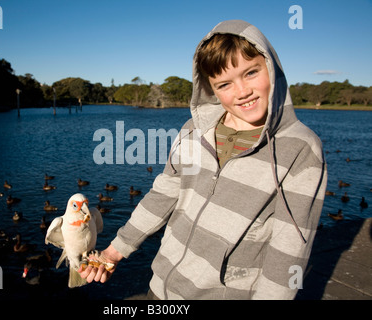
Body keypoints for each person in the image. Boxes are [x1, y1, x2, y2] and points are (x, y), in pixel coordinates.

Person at [79, 19, 327, 299]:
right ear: (210, 89)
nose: (242, 91)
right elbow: (162, 195)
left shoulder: (300, 148)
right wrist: (113, 252)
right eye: (224, 84)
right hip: (161, 287)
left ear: (271, 67)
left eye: (251, 73)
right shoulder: (192, 131)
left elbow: (288, 252)